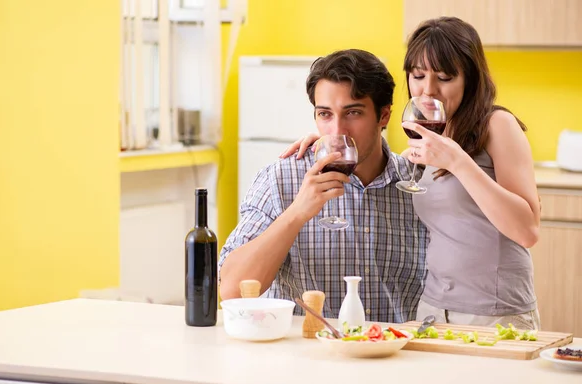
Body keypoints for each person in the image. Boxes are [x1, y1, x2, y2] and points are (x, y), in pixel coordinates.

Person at [283, 17, 542, 330]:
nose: (428, 90)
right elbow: (372, 151)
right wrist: (328, 142)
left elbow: (527, 230)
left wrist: (459, 162)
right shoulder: (427, 137)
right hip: (432, 310)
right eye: (418, 76)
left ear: (469, 80)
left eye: (445, 77)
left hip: (494, 312)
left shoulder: (496, 125)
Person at [218, 49, 428, 323]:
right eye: (325, 114)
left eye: (353, 112)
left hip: (394, 352)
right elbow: (231, 290)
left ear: (384, 116)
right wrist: (296, 213)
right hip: (305, 356)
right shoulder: (281, 179)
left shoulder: (420, 184)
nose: (337, 130)